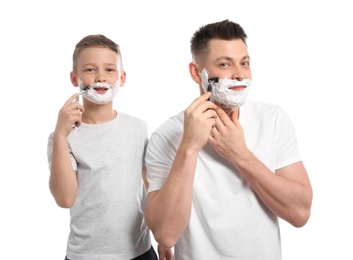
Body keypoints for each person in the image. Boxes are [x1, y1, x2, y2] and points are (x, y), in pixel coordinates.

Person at [144, 19, 313, 260]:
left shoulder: (273, 119)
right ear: (196, 72)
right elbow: (165, 235)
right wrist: (189, 148)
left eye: (245, 63)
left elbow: (300, 213)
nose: (239, 74)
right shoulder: (166, 136)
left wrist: (239, 154)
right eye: (225, 64)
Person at [47, 34, 172, 260]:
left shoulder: (137, 128)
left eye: (109, 70)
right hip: (85, 255)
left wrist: (161, 236)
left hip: (140, 250)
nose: (101, 77)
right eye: (90, 69)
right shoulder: (63, 137)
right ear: (75, 78)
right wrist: (60, 136)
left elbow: (149, 186)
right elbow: (65, 199)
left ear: (121, 78)